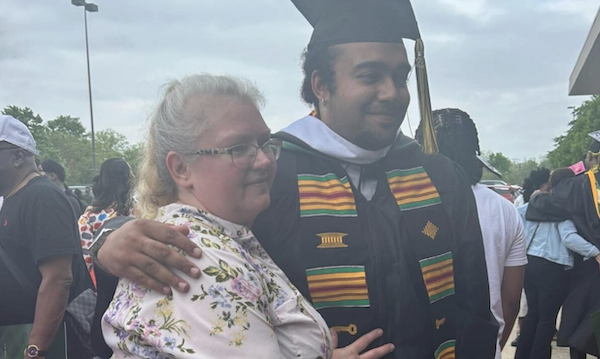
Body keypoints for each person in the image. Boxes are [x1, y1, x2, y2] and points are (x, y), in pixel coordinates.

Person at [91, 1, 498, 357]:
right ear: (321, 85)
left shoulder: (440, 177)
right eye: (370, 76)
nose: (392, 93)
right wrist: (110, 240)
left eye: (400, 76)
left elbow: (475, 310)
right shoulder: (268, 175)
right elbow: (189, 237)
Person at [101, 74, 393, 359]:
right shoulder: (197, 260)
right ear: (181, 169)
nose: (265, 160)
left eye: (265, 142)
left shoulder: (228, 234)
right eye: (238, 148)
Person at [415, 108, 527, 359]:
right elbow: (510, 302)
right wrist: (495, 344)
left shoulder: (410, 205)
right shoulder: (505, 210)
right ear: (473, 148)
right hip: (483, 347)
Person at [0, 115, 93, 358]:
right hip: (17, 335)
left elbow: (58, 279)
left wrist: (35, 349)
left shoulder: (42, 197)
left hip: (50, 344)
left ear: (18, 157)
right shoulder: (14, 197)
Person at [526, 132, 600, 358]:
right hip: (590, 265)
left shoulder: (579, 186)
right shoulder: (582, 185)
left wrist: (537, 196)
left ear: (591, 157)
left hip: (588, 267)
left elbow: (544, 204)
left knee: (581, 319)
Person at [78, 158, 134, 272]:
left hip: (103, 284)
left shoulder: (89, 217)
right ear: (127, 180)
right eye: (131, 173)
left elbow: (87, 260)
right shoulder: (143, 212)